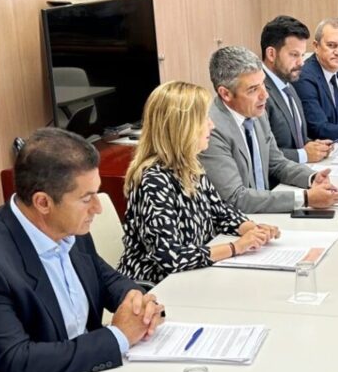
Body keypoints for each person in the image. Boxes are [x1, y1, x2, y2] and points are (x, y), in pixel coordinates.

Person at [0, 128, 164, 372]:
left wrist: (136, 301)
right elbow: (20, 363)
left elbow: (104, 278)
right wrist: (119, 336)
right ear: (43, 203)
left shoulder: (66, 227)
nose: (98, 208)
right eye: (87, 198)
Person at [119, 81, 281, 284]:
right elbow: (171, 257)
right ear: (182, 127)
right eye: (205, 119)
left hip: (195, 276)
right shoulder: (153, 180)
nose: (211, 125)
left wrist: (251, 229)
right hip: (158, 287)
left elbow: (220, 211)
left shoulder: (190, 165)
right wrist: (235, 247)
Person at [200, 46, 338, 213]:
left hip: (264, 214)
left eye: (263, 85)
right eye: (253, 89)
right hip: (237, 223)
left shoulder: (256, 112)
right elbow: (235, 198)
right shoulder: (211, 130)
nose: (264, 95)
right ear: (225, 94)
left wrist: (311, 177)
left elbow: (276, 163)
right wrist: (304, 198)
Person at [260, 16, 332, 163]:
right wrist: (303, 155)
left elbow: (295, 137)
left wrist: (313, 145)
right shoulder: (259, 93)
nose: (301, 63)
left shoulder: (289, 86)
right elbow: (261, 153)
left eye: (302, 55)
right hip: (275, 184)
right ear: (271, 54)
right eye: (294, 55)